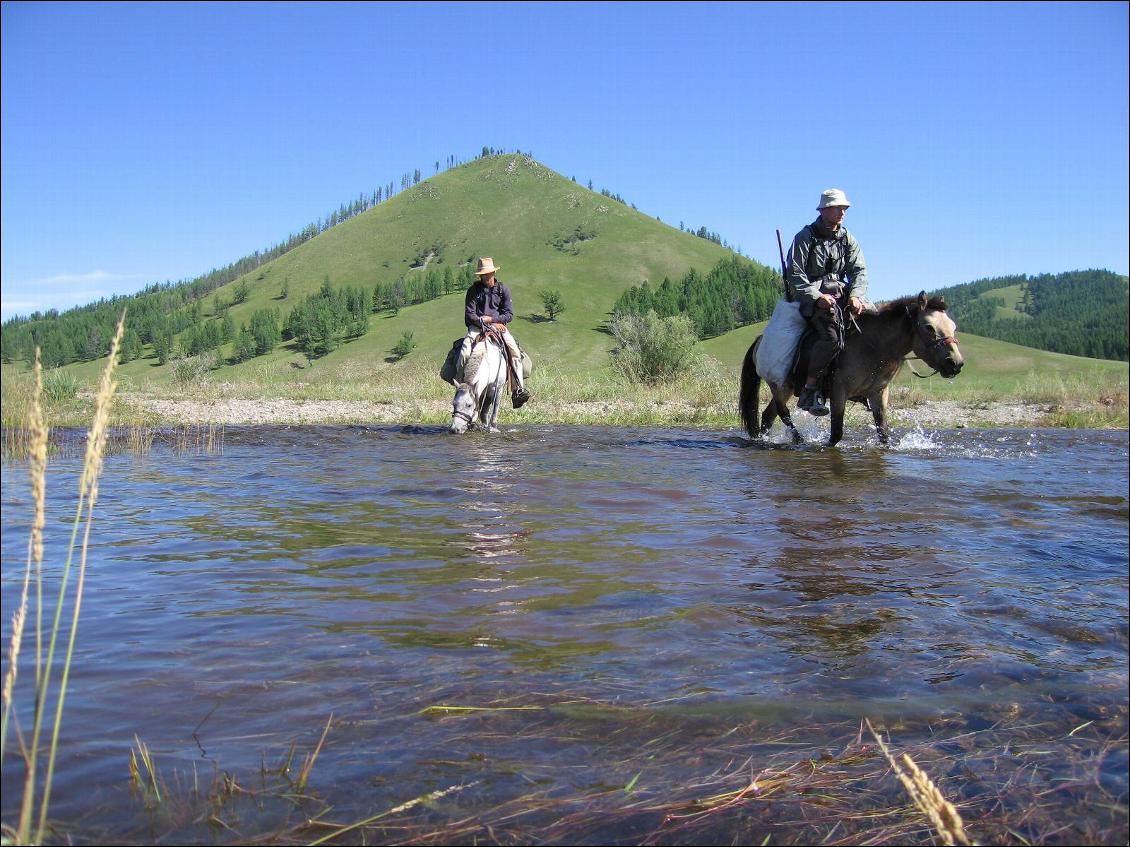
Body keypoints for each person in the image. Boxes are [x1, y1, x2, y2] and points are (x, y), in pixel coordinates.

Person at [786, 188, 871, 416]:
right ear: (824, 210)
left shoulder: (847, 238)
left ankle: (863, 384)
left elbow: (859, 271)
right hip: (813, 296)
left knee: (872, 325)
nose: (843, 212)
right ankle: (809, 390)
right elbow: (794, 273)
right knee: (832, 336)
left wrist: (856, 295)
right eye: (838, 208)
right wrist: (817, 298)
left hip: (842, 294)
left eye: (844, 208)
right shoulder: (805, 236)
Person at [458, 257, 531, 408]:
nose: (485, 277)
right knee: (464, 350)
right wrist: (482, 321)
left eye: (487, 274)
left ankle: (518, 390)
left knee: (514, 352)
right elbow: (469, 314)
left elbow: (509, 314)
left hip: (498, 326)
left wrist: (492, 320)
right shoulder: (473, 291)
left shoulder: (503, 290)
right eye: (482, 274)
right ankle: (461, 388)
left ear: (493, 273)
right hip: (477, 327)